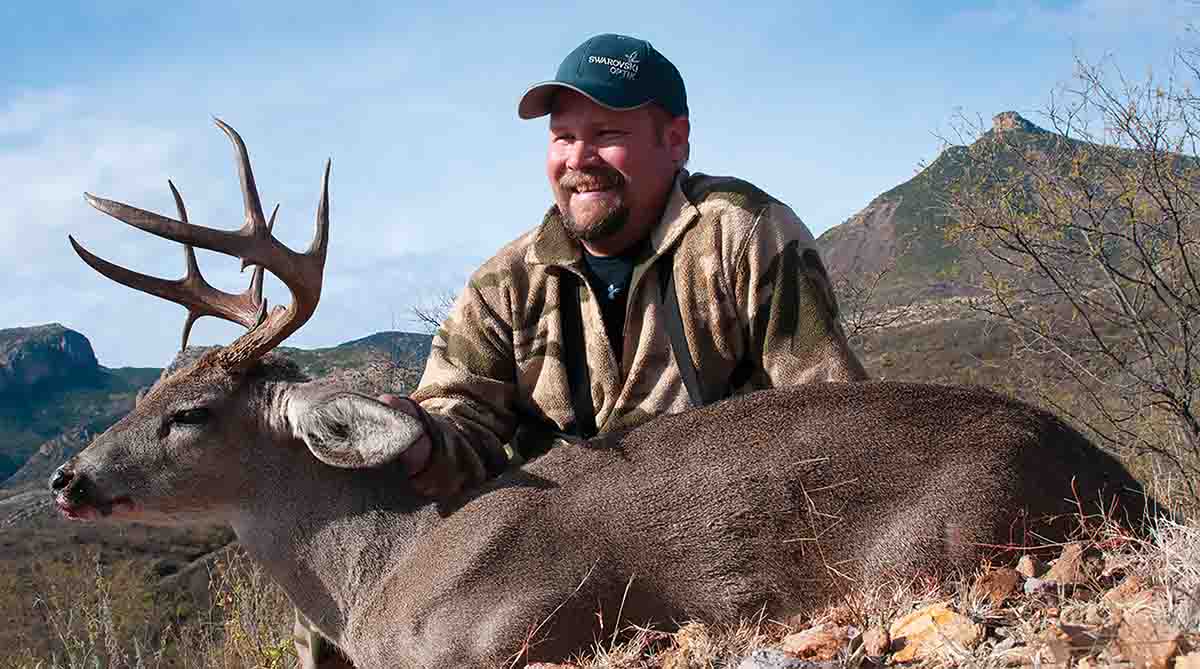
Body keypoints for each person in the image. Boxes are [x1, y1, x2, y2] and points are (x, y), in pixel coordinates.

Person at [295, 32, 867, 669]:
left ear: (674, 141)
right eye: (563, 137)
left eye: (606, 134)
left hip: (731, 542)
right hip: (573, 574)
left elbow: (832, 415)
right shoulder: (504, 284)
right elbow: (462, 433)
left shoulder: (741, 232)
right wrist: (422, 437)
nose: (578, 158)